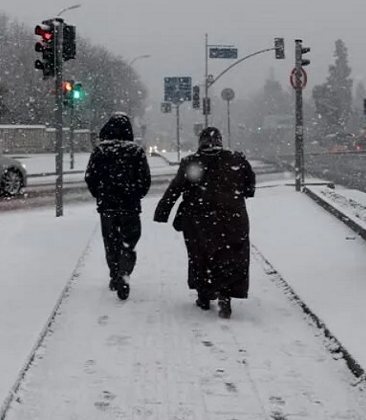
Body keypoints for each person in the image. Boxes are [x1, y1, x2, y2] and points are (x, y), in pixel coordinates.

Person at [153, 127, 256, 319]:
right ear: (220, 141)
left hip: (199, 219)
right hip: (232, 218)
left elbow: (175, 188)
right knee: (230, 256)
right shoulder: (236, 159)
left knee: (200, 256)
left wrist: (162, 212)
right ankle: (225, 295)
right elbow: (249, 186)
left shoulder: (191, 162)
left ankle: (204, 295)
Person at [85, 113, 151, 300]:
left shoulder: (100, 151)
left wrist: (100, 195)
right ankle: (124, 271)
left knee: (110, 242)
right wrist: (135, 194)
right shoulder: (136, 151)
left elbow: (90, 177)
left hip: (107, 207)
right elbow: (145, 180)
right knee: (128, 242)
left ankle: (115, 274)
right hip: (130, 207)